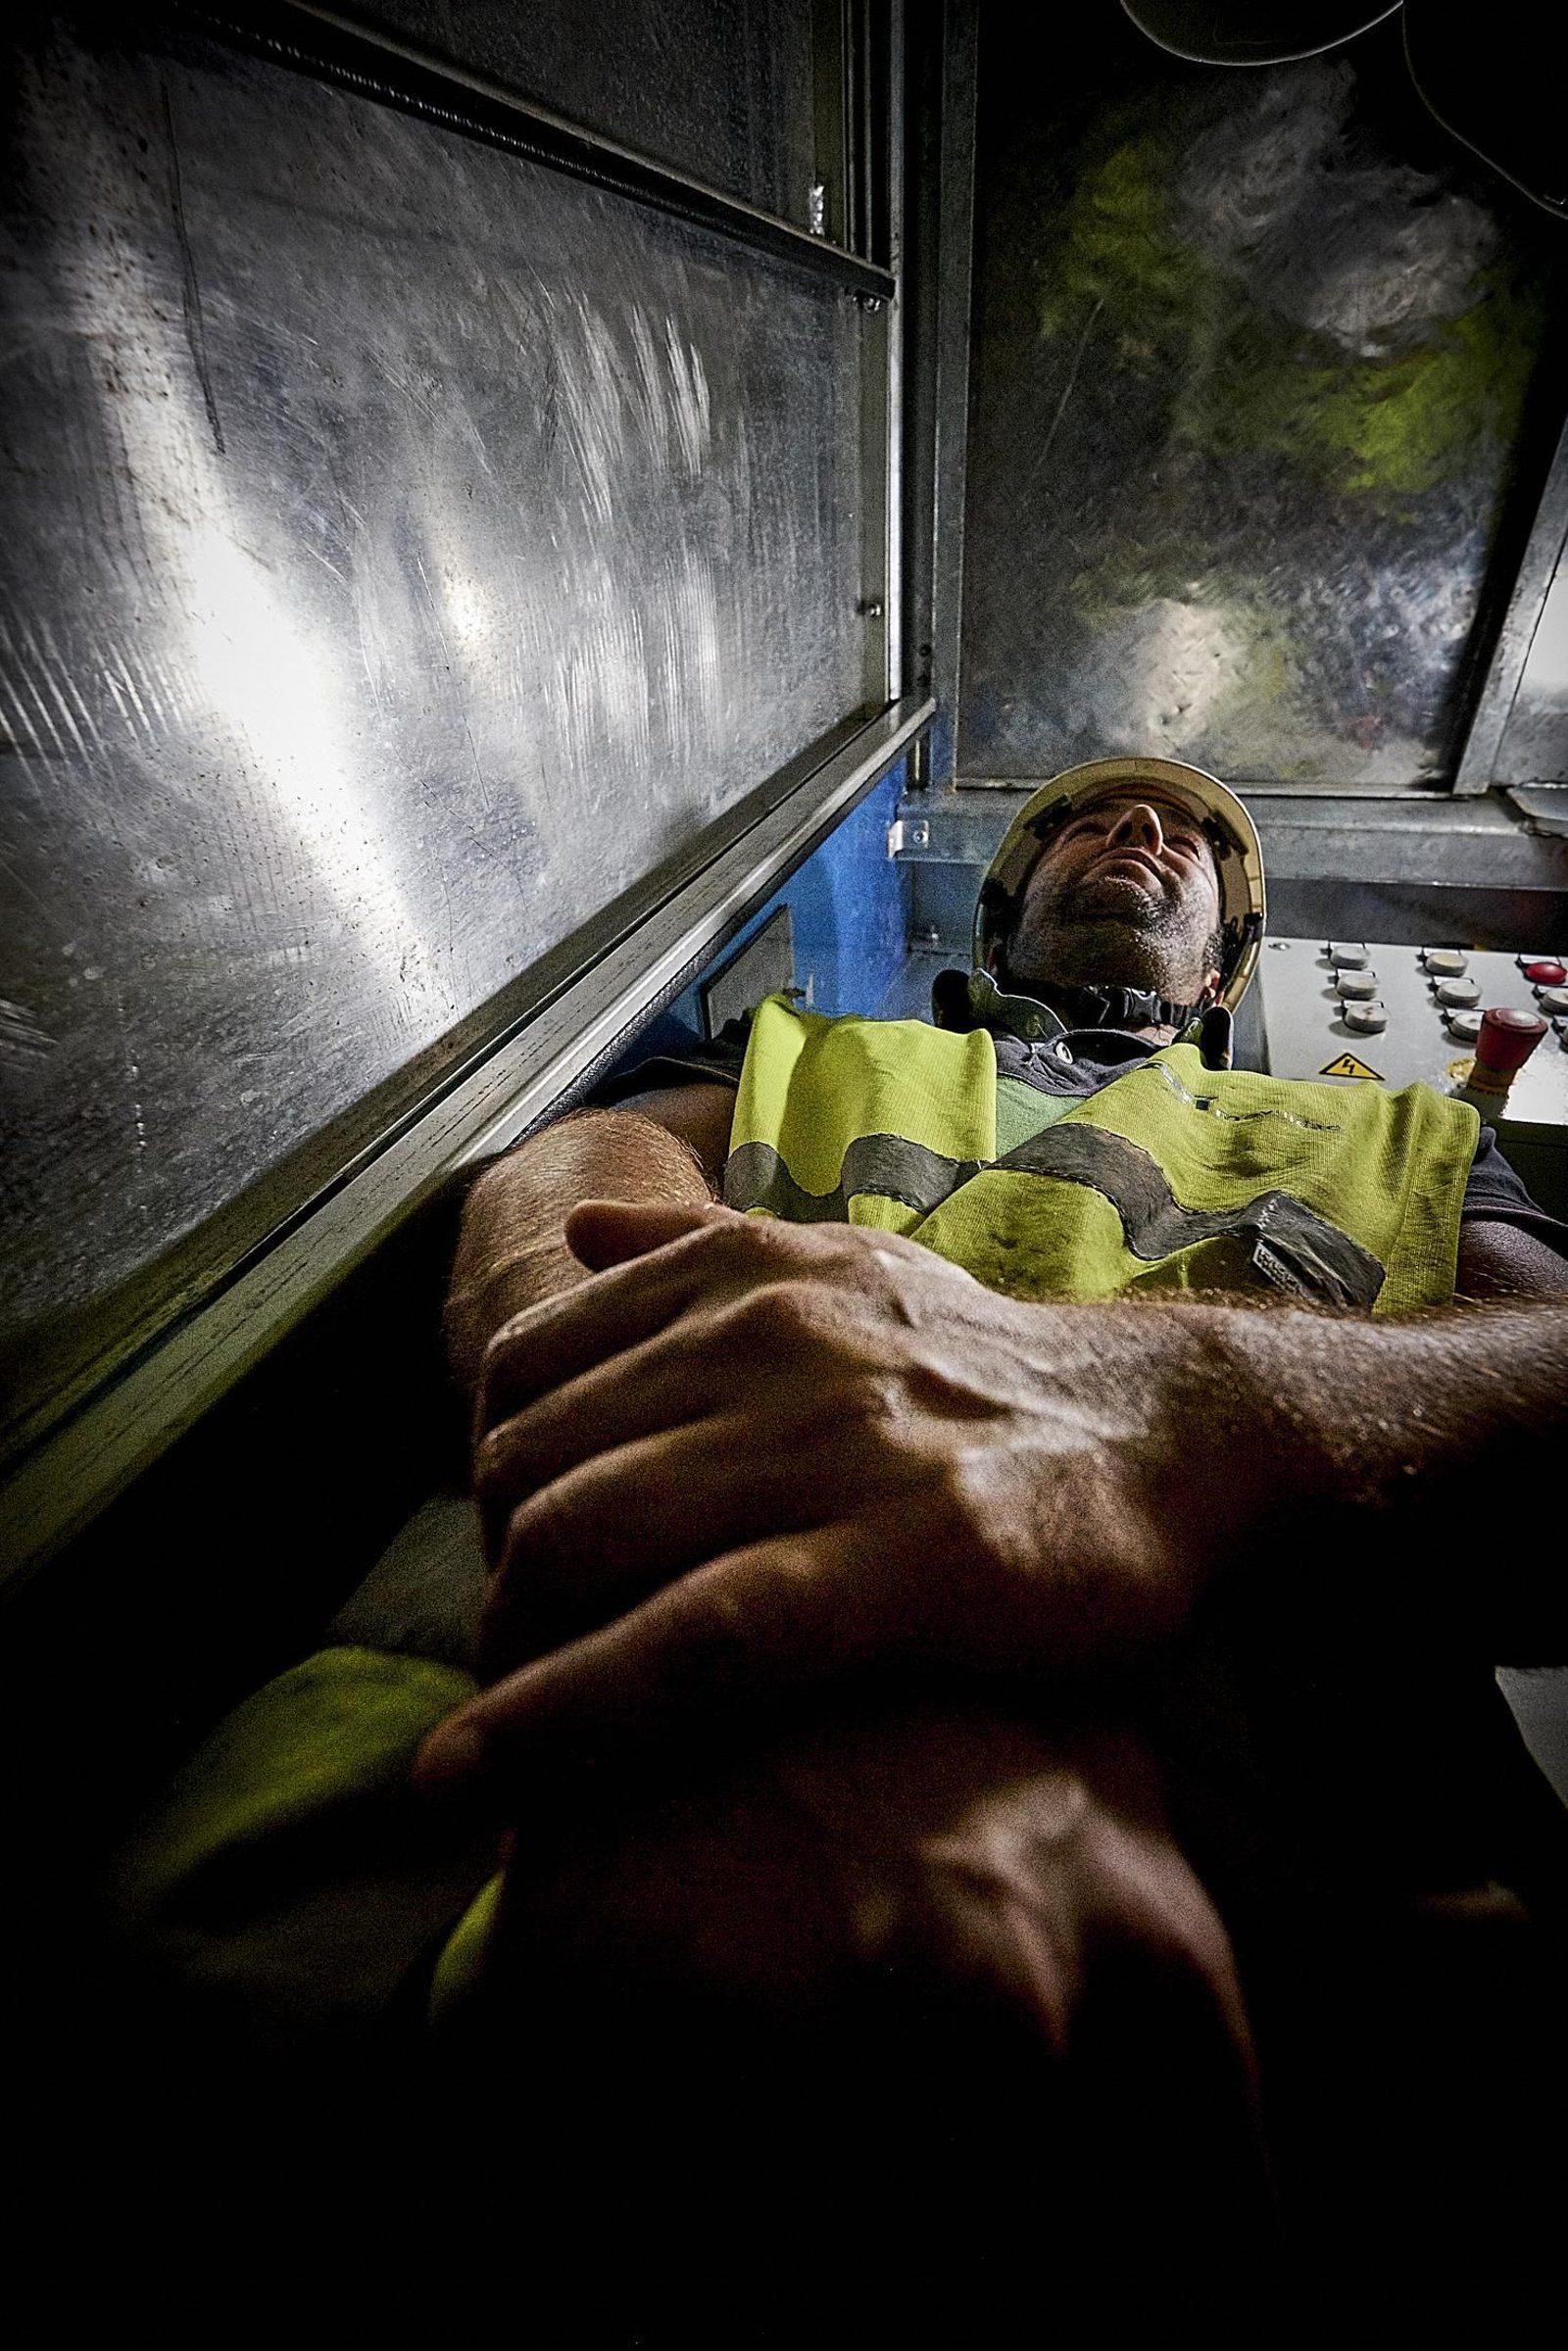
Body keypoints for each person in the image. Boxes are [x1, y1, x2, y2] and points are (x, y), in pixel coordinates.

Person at [113, 757, 1568, 2324]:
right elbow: (554, 1190)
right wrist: (742, 1583)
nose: (1140, 831)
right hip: (507, 1699)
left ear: (1221, 973)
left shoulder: (1411, 1138)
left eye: (1192, 844)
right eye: (1088, 818)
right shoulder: (804, 1049)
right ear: (999, 927)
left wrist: (1178, 1402)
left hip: (1301, 1861)